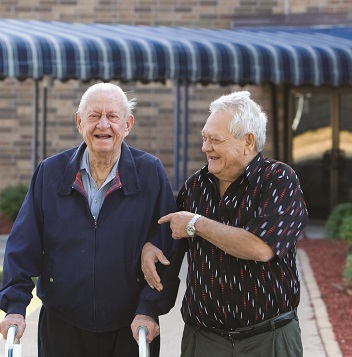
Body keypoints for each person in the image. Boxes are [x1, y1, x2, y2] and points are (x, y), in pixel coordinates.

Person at [0, 83, 184, 357]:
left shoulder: (150, 173)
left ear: (128, 124)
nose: (103, 125)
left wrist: (149, 308)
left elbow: (168, 246)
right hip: (63, 324)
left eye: (112, 116)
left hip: (131, 325)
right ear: (79, 122)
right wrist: (15, 305)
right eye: (94, 116)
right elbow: (23, 244)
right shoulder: (50, 173)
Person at [142, 90, 309, 357]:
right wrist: (150, 245)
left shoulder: (278, 180)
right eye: (204, 138)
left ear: (248, 141)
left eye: (214, 140)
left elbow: (261, 247)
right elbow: (170, 240)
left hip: (269, 340)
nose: (205, 147)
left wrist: (196, 224)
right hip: (204, 341)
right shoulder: (196, 186)